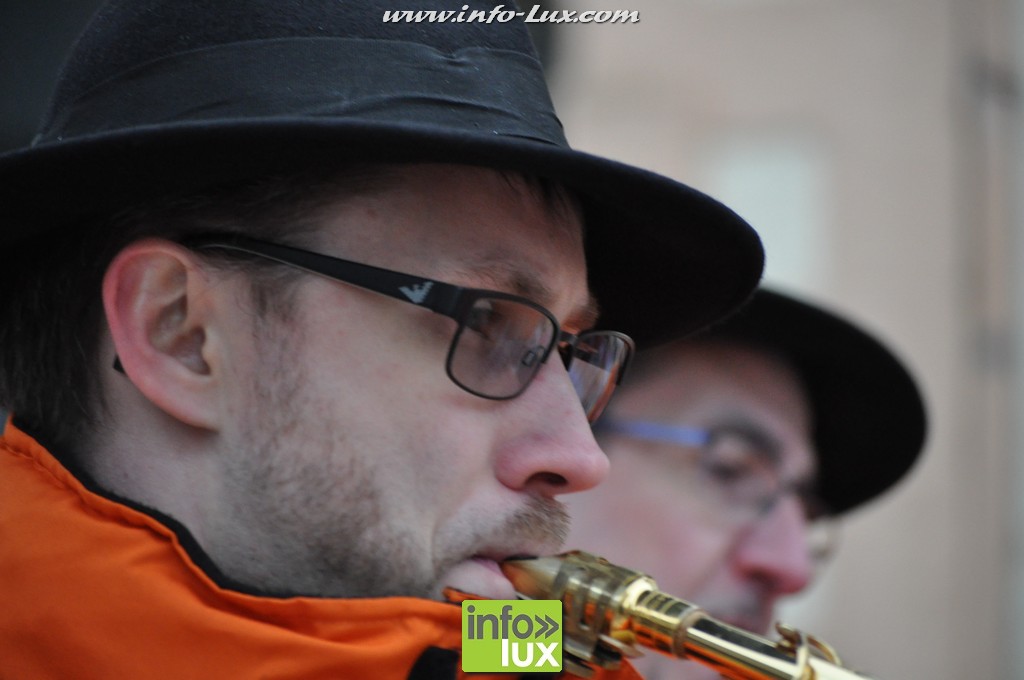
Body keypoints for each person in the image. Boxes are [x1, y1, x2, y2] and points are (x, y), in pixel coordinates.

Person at [0, 1, 766, 678]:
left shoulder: (530, 657)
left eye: (568, 348)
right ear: (181, 333)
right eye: (486, 326)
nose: (581, 458)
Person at [566, 288, 927, 680]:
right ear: (562, 459)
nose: (793, 567)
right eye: (730, 470)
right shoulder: (514, 638)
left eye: (806, 515)